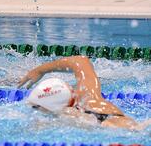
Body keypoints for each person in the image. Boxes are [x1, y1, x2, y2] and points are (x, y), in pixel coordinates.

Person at [18, 55, 151, 130]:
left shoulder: (95, 112)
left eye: (38, 107)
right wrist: (40, 70)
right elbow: (80, 61)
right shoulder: (87, 96)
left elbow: (136, 129)